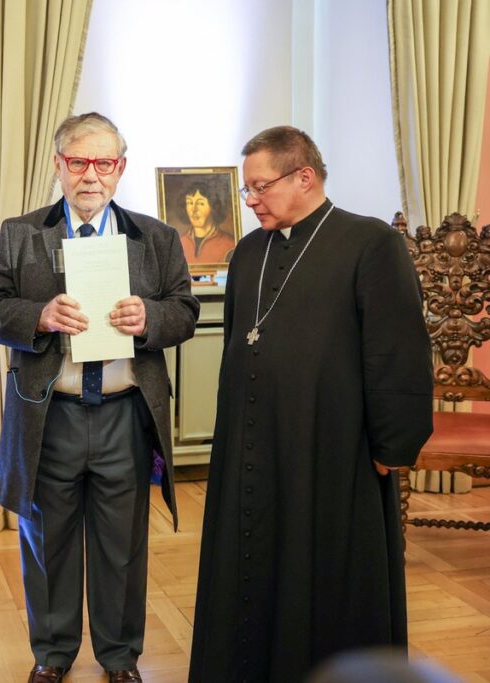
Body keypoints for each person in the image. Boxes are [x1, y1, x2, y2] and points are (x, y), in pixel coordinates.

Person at [189, 125, 433, 682]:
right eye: (246, 189)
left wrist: (393, 445)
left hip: (332, 447)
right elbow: (237, 338)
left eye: (259, 188)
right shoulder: (248, 250)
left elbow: (398, 350)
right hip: (254, 441)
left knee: (324, 572)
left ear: (305, 177)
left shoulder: (370, 243)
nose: (249, 201)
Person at [0, 112, 199, 683]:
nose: (90, 175)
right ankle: (52, 656)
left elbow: (185, 311)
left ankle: (120, 658)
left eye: (103, 163)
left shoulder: (155, 238)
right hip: (48, 414)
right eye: (78, 161)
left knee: (121, 546)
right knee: (46, 543)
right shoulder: (20, 233)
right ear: (58, 165)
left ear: (120, 169)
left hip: (124, 414)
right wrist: (39, 315)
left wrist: (149, 317)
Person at [178, 178, 236, 264]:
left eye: (200, 203)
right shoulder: (178, 243)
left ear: (213, 207)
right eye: (190, 203)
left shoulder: (229, 245)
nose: (193, 210)